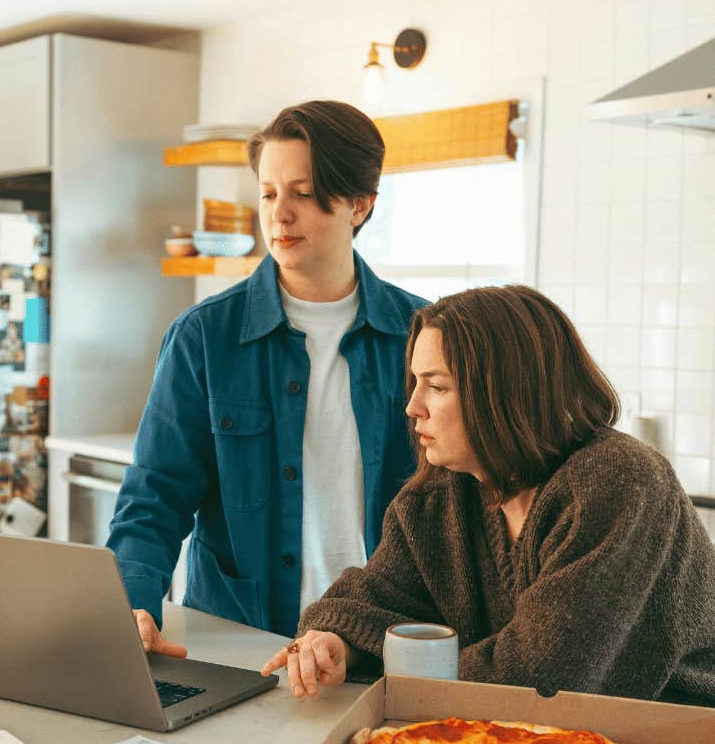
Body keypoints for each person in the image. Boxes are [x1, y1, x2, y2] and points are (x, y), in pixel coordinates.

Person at [261, 284, 715, 705]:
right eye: (416, 382)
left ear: (505, 393)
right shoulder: (439, 499)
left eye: (436, 386)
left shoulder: (619, 480)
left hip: (680, 741)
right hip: (519, 737)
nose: (412, 407)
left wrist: (394, 660)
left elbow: (543, 675)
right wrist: (335, 642)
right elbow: (370, 601)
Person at [108, 100, 427, 655]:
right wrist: (134, 603)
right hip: (238, 644)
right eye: (269, 193)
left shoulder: (422, 337)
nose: (279, 215)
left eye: (303, 193)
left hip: (381, 647)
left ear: (360, 203)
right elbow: (154, 497)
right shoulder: (204, 337)